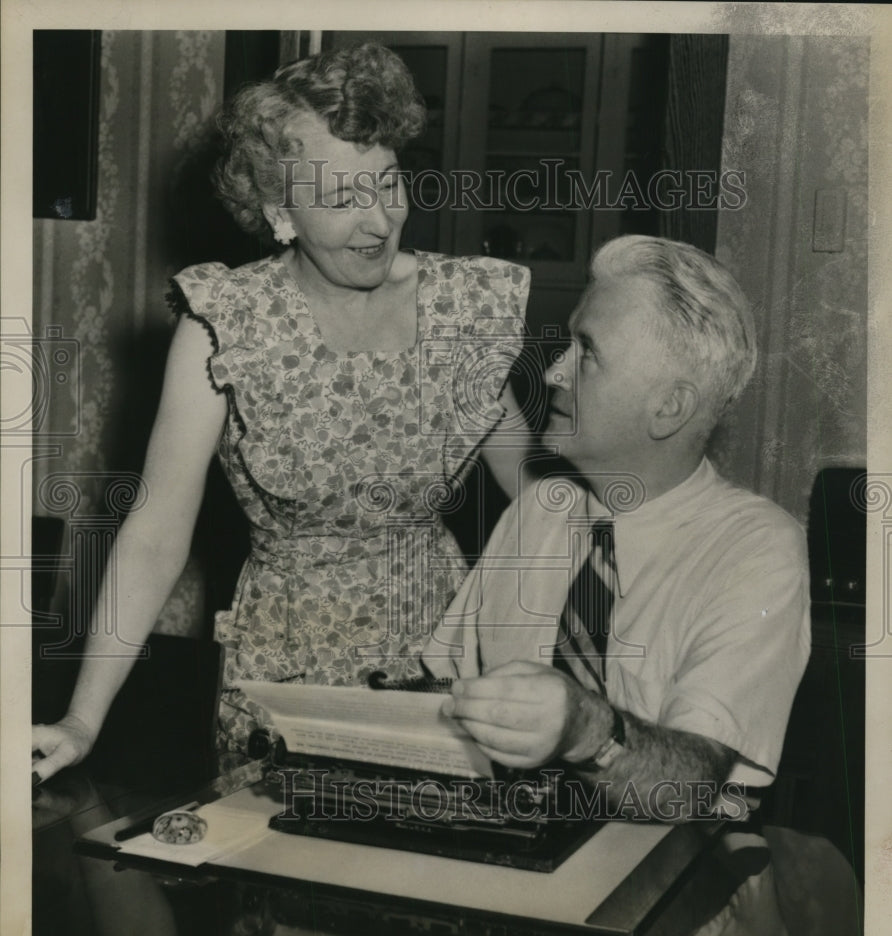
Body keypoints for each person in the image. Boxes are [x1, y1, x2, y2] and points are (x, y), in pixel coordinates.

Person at [32, 42, 531, 781]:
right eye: (341, 199)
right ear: (279, 210)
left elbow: (542, 501)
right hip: (286, 674)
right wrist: (81, 721)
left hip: (439, 666)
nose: (379, 222)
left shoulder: (464, 308)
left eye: (388, 183)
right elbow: (155, 535)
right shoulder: (227, 321)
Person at [425, 233, 810, 818]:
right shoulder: (540, 509)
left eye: (587, 351)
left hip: (667, 857)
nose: (553, 372)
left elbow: (691, 787)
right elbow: (444, 689)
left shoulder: (755, 549)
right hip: (508, 838)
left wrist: (586, 729)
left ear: (669, 407)